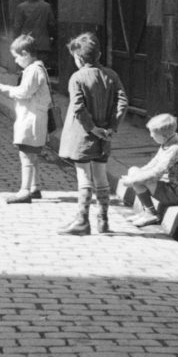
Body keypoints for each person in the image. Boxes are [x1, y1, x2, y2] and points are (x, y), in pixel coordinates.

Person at [57, 32, 128, 235]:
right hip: (105, 135)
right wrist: (111, 127)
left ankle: (82, 220)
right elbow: (123, 101)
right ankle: (103, 221)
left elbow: (78, 107)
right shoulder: (111, 75)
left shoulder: (77, 78)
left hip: (83, 136)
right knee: (100, 175)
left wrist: (92, 128)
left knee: (84, 176)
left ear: (79, 58)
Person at [0, 34, 51, 204]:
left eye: (16, 57)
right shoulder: (36, 69)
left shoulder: (33, 70)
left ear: (25, 53)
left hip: (31, 118)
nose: (15, 61)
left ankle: (24, 191)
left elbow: (23, 92)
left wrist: (1, 88)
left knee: (26, 155)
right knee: (33, 155)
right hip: (33, 117)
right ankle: (34, 187)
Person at [120, 113, 178, 227]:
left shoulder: (174, 149)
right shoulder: (167, 144)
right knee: (134, 170)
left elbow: (157, 172)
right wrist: (135, 175)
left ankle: (150, 214)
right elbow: (153, 163)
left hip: (175, 193)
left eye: (153, 134)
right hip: (168, 187)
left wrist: (133, 180)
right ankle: (145, 212)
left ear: (163, 136)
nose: (150, 136)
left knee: (140, 180)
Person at [13, 0, 57, 69]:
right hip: (43, 45)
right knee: (41, 70)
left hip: (26, 46)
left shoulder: (21, 7)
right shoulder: (46, 7)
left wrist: (17, 43)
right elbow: (52, 25)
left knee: (25, 72)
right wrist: (51, 39)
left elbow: (17, 27)